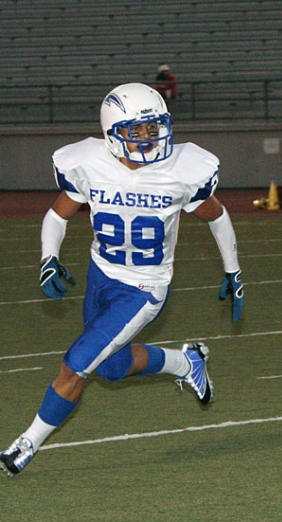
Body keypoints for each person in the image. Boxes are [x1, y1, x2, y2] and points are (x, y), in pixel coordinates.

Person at [0, 83, 244, 476]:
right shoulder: (90, 162)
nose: (150, 138)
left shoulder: (180, 170)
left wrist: (232, 269)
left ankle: (27, 441)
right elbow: (57, 215)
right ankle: (187, 362)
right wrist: (49, 257)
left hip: (143, 289)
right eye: (138, 130)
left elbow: (216, 215)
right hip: (102, 274)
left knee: (76, 365)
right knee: (111, 369)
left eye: (155, 127)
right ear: (112, 132)